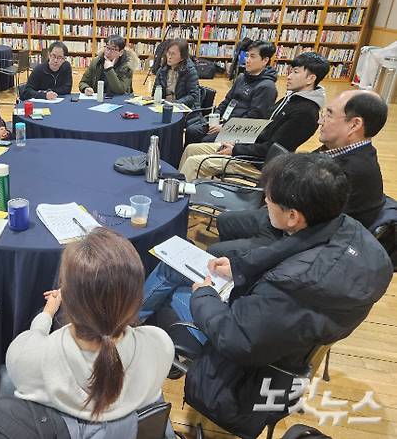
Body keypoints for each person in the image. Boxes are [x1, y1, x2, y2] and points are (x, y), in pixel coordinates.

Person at [141, 153, 393, 438]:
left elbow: (234, 338)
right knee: (181, 267)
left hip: (242, 369)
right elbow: (286, 252)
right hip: (284, 342)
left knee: (169, 272)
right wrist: (238, 268)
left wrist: (205, 295)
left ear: (293, 216)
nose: (265, 205)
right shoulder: (354, 237)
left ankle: (120, 329)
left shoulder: (291, 286)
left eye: (269, 201)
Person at [6, 228, 173, 422]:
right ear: (136, 298)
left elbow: (32, 341)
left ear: (68, 299)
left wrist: (47, 314)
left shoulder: (24, 358)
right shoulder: (160, 346)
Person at [211, 90, 388, 256]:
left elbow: (313, 231)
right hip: (288, 218)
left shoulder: (351, 171)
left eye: (329, 114)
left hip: (302, 239)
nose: (320, 121)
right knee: (225, 220)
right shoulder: (337, 150)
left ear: (354, 124)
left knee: (216, 251)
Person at [178, 52, 329, 181]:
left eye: (295, 72)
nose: (288, 77)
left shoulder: (305, 113)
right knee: (191, 149)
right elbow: (262, 130)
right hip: (247, 147)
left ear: (311, 79)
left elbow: (272, 149)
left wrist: (236, 148)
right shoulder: (291, 98)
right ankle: (178, 184)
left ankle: (177, 202)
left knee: (193, 163)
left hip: (257, 163)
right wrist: (235, 142)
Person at [185, 40, 278, 144]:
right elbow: (227, 101)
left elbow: (253, 119)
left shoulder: (267, 87)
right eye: (247, 56)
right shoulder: (242, 77)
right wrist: (215, 117)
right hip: (223, 122)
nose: (247, 60)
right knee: (192, 130)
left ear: (265, 60)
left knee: (205, 140)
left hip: (238, 132)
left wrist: (225, 127)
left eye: (252, 57)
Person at [152, 38, 200, 108]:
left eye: (173, 54)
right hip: (164, 107)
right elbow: (156, 91)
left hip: (184, 109)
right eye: (168, 53)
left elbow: (193, 96)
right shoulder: (162, 70)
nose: (169, 57)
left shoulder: (190, 71)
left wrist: (175, 103)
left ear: (182, 57)